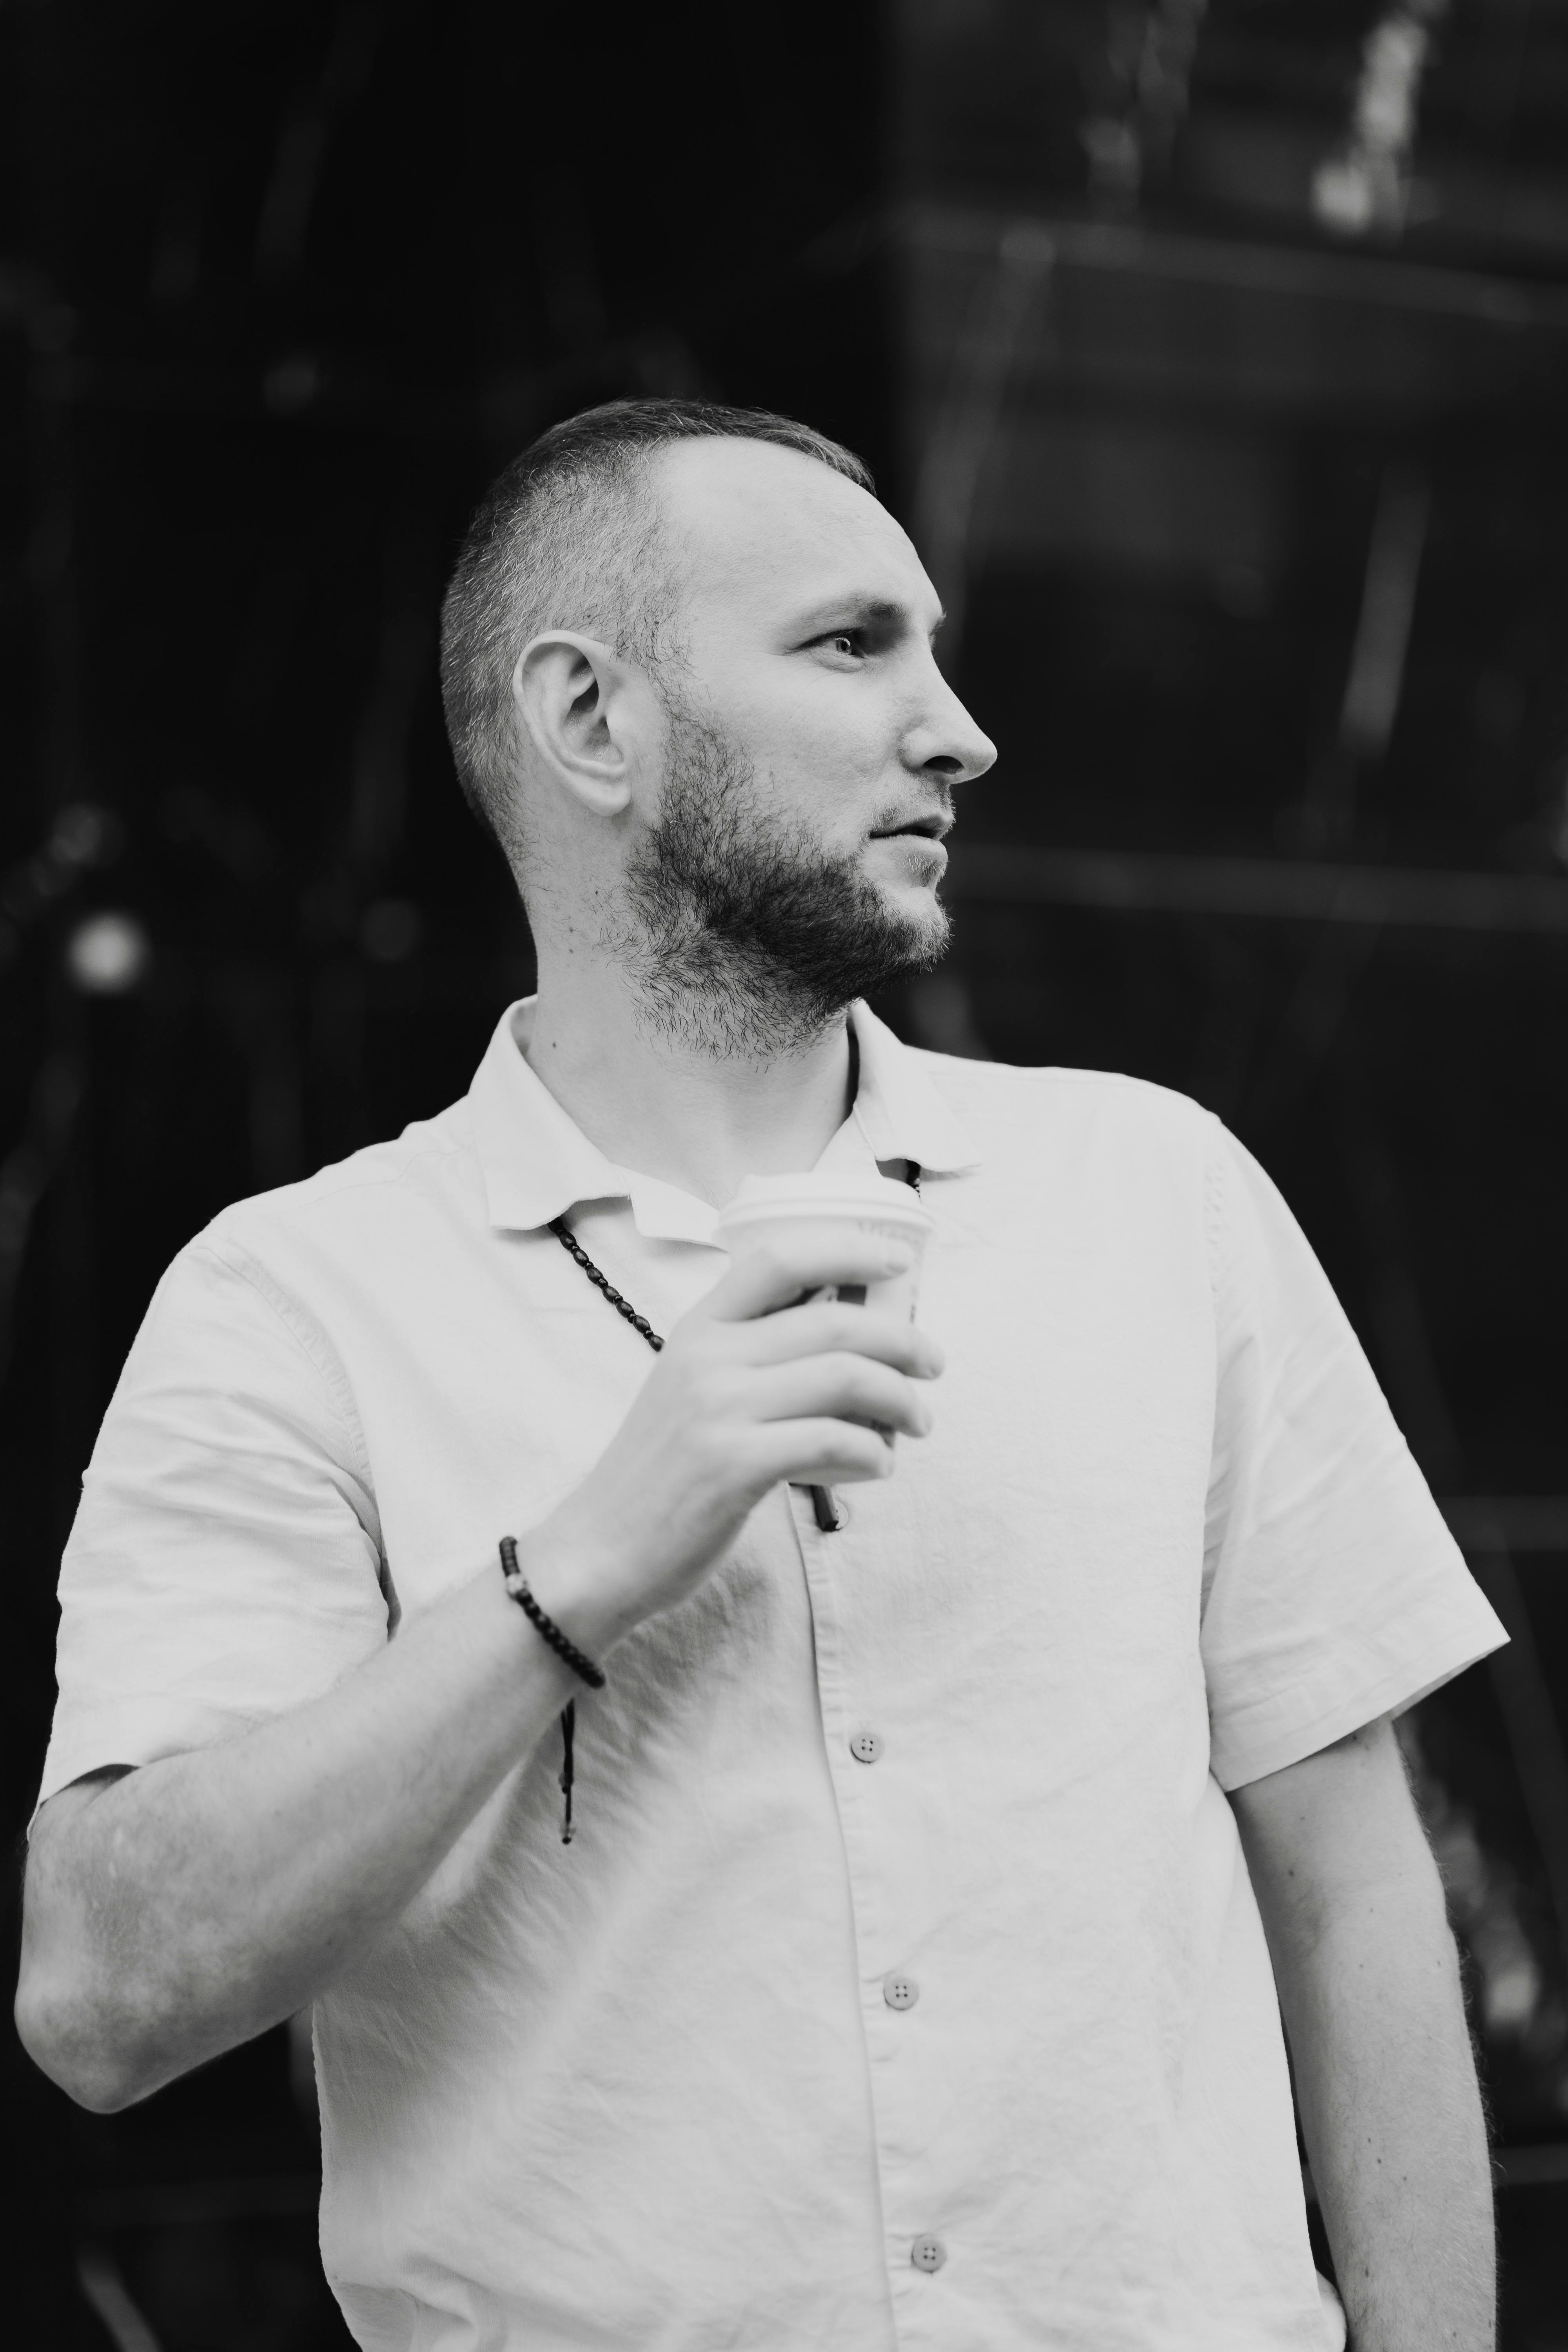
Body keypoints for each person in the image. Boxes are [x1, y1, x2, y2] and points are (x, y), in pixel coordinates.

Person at [18, 398, 1504, 2352]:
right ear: (590, 720)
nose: (955, 726)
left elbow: (1351, 1876)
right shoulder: (292, 1300)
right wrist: (578, 1578)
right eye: (849, 643)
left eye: (935, 646)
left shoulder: (1157, 1192)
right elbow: (104, 1995)